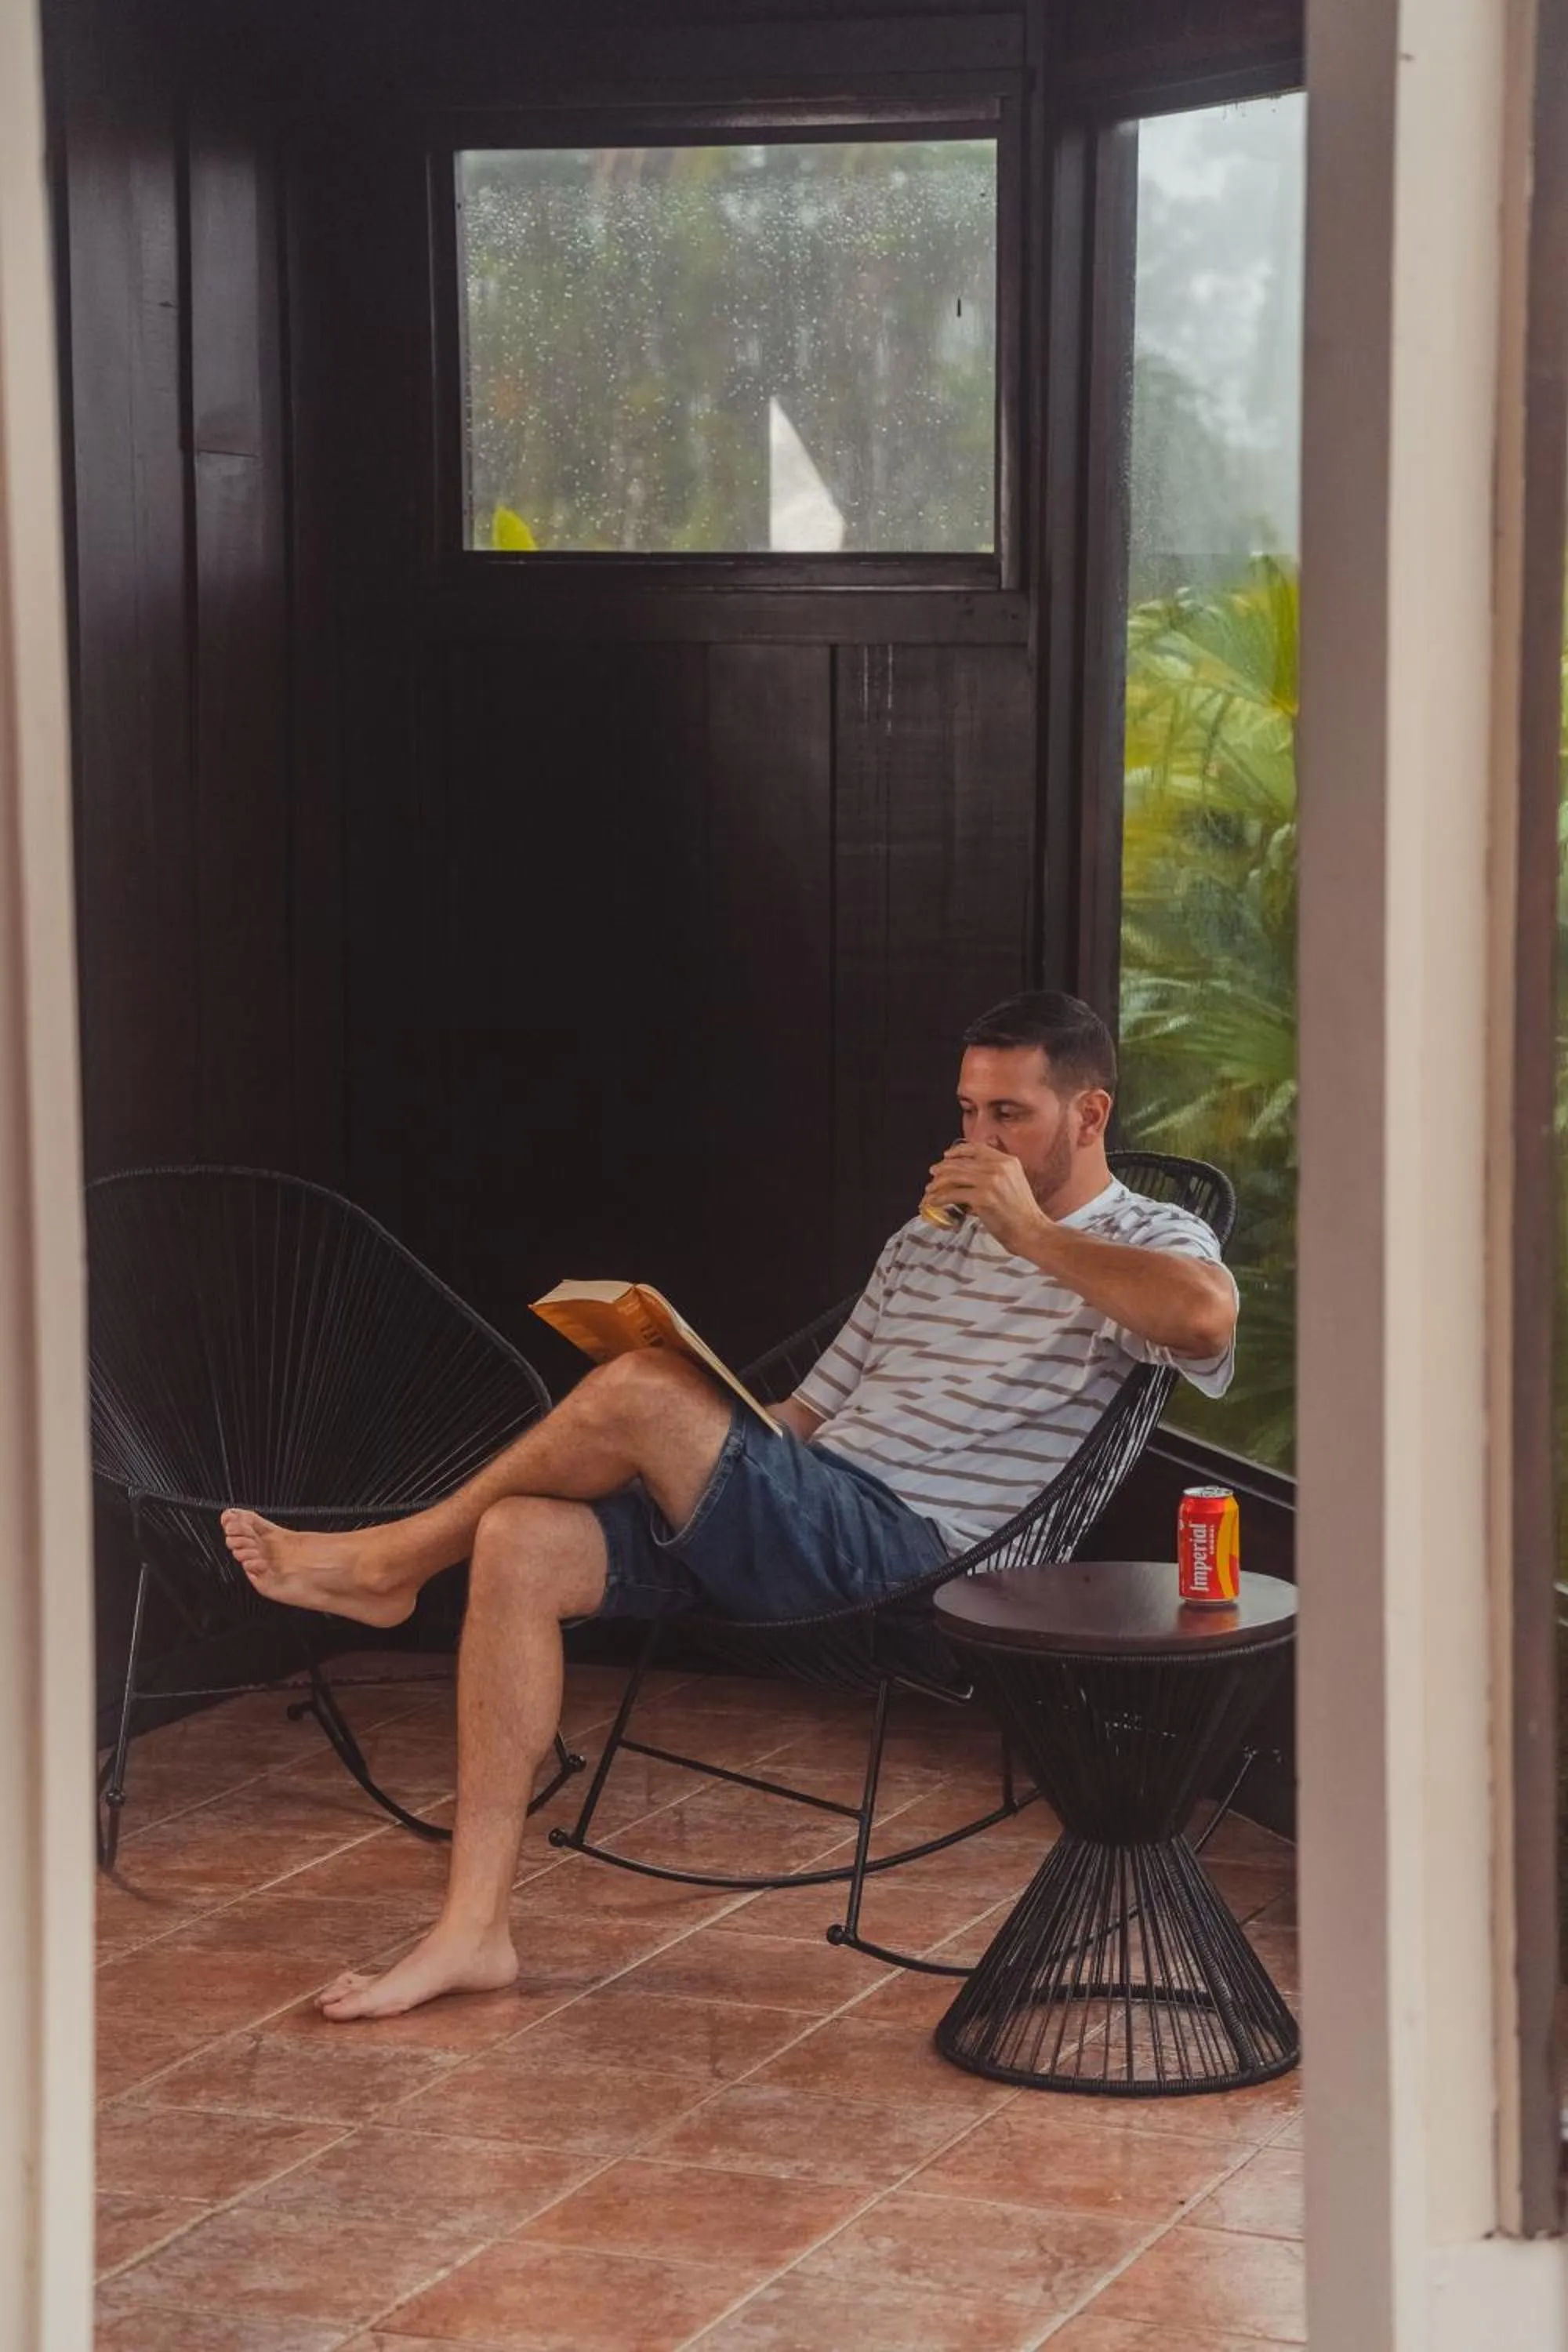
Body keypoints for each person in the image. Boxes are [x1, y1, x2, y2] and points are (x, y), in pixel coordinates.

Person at [221, 990, 1238, 2020]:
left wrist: (1028, 1235)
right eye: (967, 1113)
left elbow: (1202, 1320)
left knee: (636, 1400)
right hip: (810, 1520)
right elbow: (802, 1416)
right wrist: (693, 1414)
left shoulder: (1148, 1236)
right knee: (522, 1535)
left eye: (1008, 1115)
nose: (978, 1140)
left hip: (925, 1564)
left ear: (1091, 1115)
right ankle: (473, 1930)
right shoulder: (923, 1244)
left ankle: (393, 1562)